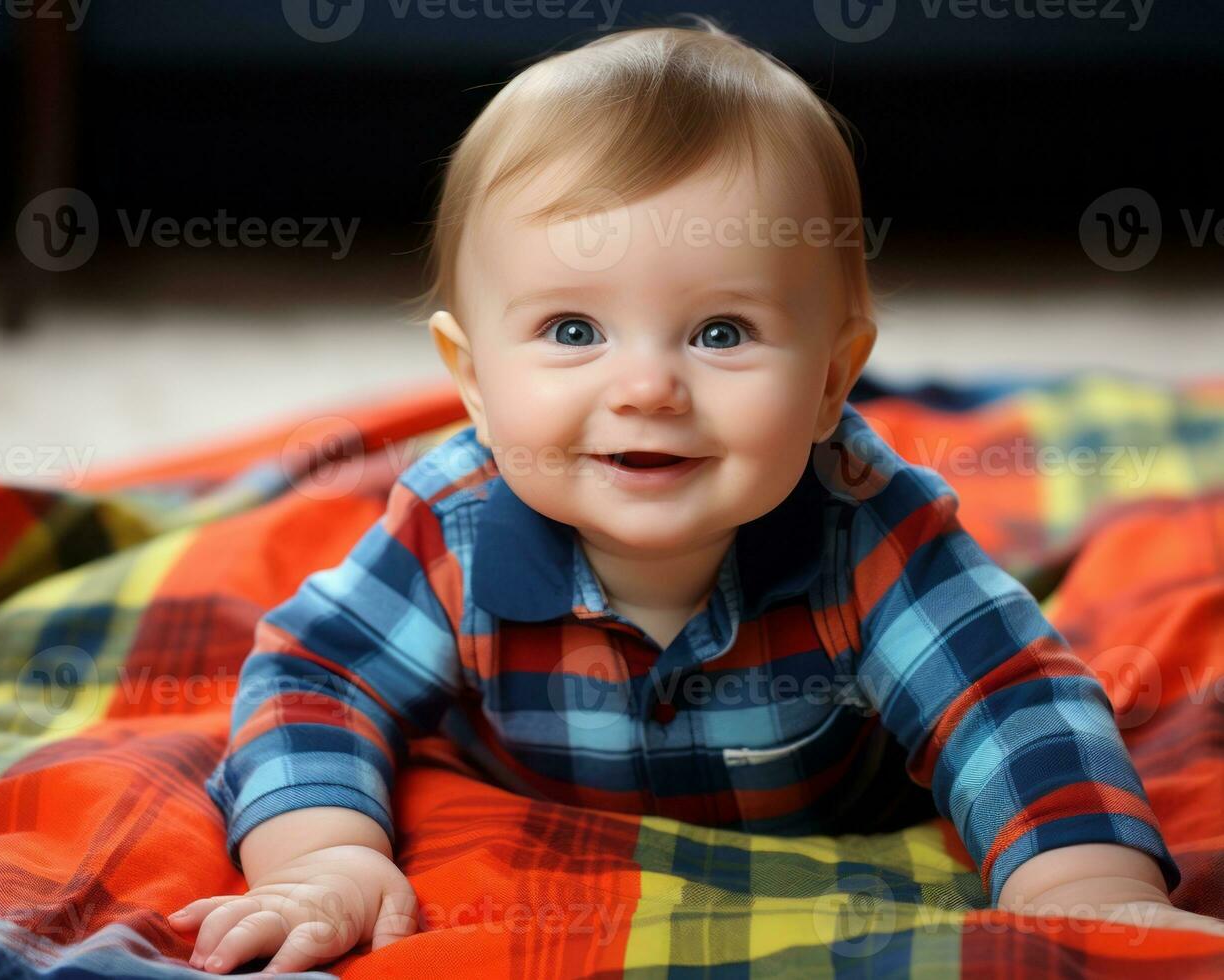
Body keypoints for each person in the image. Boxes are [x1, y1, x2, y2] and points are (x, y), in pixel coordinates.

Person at [168, 15, 1224, 975]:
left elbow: (1010, 700)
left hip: (834, 803)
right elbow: (312, 680)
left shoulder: (870, 525)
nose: (644, 388)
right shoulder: (450, 525)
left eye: (721, 332)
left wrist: (1082, 883)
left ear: (827, 378)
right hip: (523, 779)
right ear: (474, 379)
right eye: (572, 331)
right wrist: (323, 856)